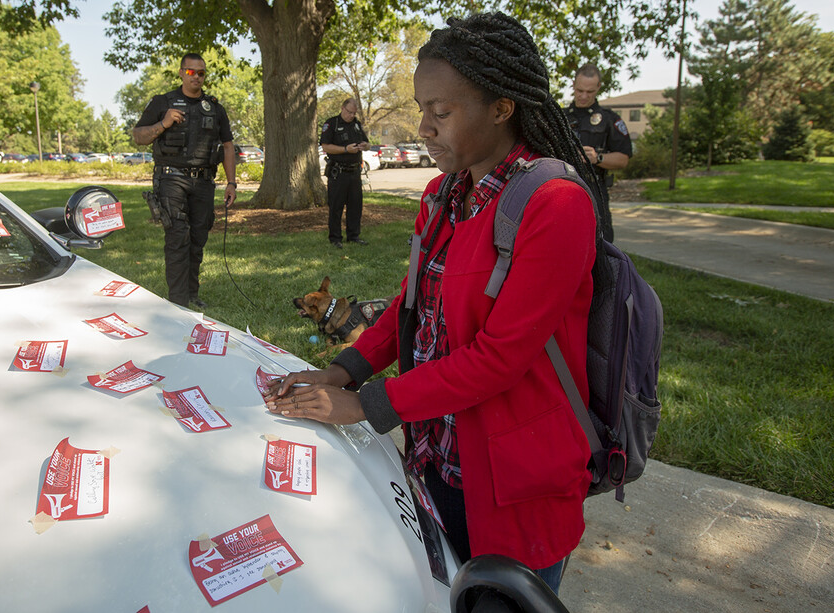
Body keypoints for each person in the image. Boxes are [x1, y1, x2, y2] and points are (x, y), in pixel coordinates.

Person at [266, 12, 607, 596]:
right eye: (422, 109)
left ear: (502, 107)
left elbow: (501, 357)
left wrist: (369, 404)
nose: (423, 127)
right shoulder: (443, 192)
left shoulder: (555, 203)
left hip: (512, 483)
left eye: (440, 112)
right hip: (433, 458)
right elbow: (413, 308)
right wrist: (341, 369)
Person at [133, 53, 237, 309]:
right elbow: (138, 137)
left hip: (203, 182)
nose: (197, 77)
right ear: (181, 73)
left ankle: (191, 293)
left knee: (198, 238)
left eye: (201, 73)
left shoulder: (214, 107)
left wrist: (231, 183)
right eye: (191, 72)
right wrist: (164, 123)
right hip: (171, 179)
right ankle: (177, 301)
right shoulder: (163, 102)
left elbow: (227, 146)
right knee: (178, 237)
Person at [564, 63, 632, 241]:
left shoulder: (609, 120)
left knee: (600, 245)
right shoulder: (559, 117)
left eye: (590, 92)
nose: (583, 96)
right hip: (563, 190)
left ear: (598, 88)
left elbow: (623, 159)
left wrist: (597, 158)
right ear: (573, 85)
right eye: (579, 90)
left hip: (595, 191)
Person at [319, 98, 370, 249]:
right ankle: (335, 238)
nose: (351, 115)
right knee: (336, 206)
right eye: (349, 112)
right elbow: (326, 146)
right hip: (338, 172)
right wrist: (346, 149)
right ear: (342, 108)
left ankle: (353, 236)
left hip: (354, 172)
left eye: (354, 113)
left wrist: (364, 146)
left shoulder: (356, 125)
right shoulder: (332, 124)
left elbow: (368, 144)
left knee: (355, 206)